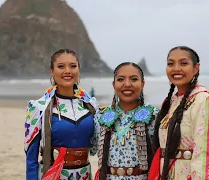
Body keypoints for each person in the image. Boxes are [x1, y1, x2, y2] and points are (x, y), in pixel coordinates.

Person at [24, 48, 99, 180]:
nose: (67, 71)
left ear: (78, 69)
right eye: (60, 66)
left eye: (73, 66)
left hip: (85, 175)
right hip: (53, 175)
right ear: (52, 71)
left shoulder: (90, 105)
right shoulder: (39, 108)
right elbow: (31, 159)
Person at [149, 46, 209, 180]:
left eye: (183, 63)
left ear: (196, 68)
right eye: (171, 64)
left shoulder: (203, 100)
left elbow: (204, 155)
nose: (176, 68)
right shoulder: (170, 101)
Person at [94, 62, 159, 180]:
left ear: (142, 84)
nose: (127, 84)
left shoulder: (154, 115)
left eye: (134, 79)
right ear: (114, 84)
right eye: (120, 79)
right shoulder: (101, 115)